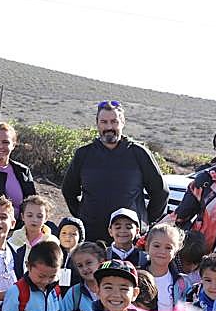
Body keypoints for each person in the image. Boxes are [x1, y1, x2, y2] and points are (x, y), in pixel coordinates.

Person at [61, 102, 168, 246]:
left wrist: (143, 221)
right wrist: (84, 216)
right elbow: (69, 190)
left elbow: (160, 192)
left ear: (122, 122)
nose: (109, 127)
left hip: (128, 240)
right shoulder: (84, 154)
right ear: (97, 124)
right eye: (104, 122)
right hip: (91, 238)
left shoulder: (139, 153)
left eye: (114, 121)